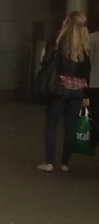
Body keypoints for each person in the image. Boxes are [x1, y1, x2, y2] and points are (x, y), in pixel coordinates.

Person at [37, 11, 91, 172]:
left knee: (51, 126)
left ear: (67, 23)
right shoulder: (84, 46)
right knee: (71, 127)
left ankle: (49, 162)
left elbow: (45, 61)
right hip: (78, 90)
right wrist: (86, 95)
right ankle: (65, 163)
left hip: (59, 88)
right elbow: (87, 72)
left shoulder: (58, 41)